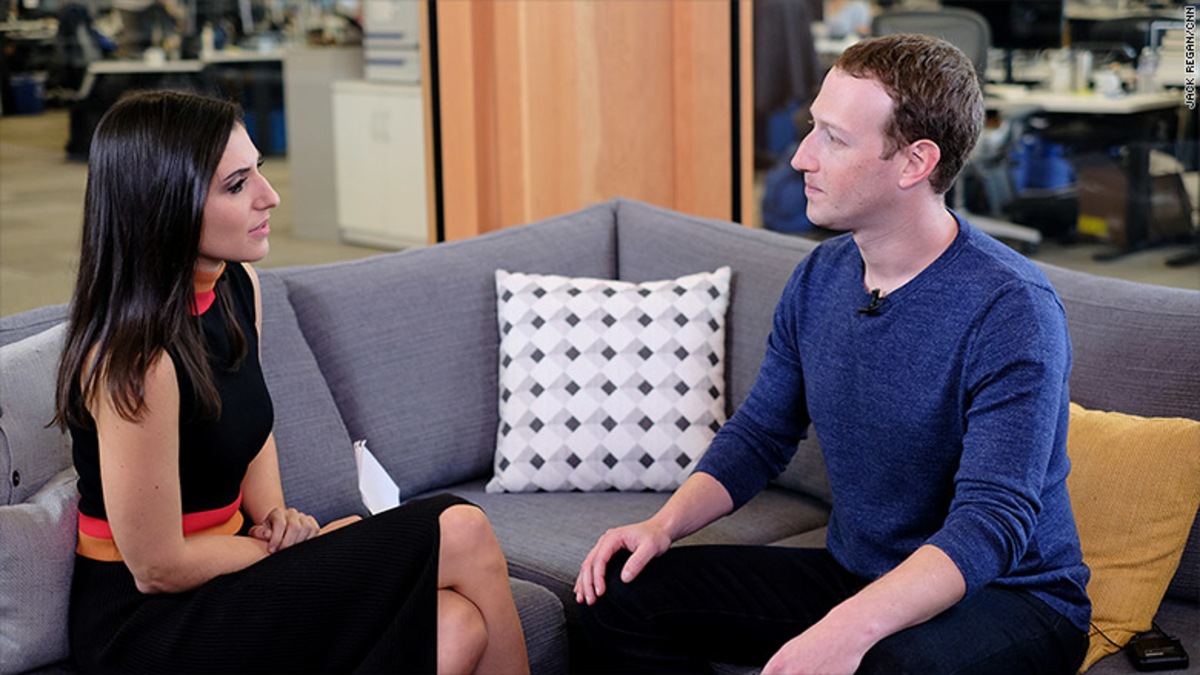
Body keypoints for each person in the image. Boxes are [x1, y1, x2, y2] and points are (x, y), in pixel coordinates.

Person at [574, 34, 1091, 674]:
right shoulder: (820, 276)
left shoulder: (1012, 308)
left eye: (833, 139)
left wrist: (846, 630)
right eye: (811, 129)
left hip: (1011, 599)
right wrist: (663, 525)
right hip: (856, 574)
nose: (799, 158)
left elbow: (991, 524)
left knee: (892, 667)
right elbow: (761, 434)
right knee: (617, 595)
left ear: (913, 163)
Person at [53, 89, 529, 674]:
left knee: (455, 628)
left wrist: (277, 513)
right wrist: (275, 548)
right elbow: (158, 568)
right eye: (236, 185)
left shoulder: (236, 287)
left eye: (259, 171)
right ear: (164, 204)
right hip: (151, 624)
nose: (269, 196)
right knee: (461, 528)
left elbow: (247, 421)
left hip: (231, 570)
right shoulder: (138, 361)